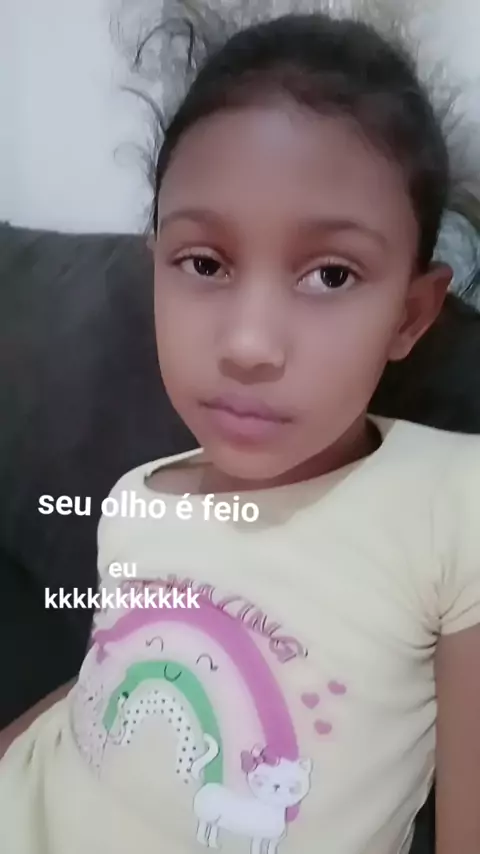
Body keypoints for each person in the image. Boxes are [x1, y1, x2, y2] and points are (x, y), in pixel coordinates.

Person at [0, 10, 479, 854]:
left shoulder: (455, 499)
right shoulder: (133, 497)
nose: (250, 345)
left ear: (410, 314)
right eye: (205, 264)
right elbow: (102, 684)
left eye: (331, 275)